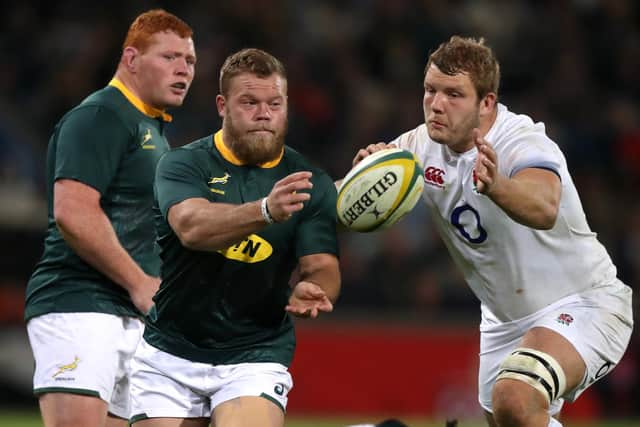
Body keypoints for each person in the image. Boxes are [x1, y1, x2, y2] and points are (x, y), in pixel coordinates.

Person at [351, 36, 633, 427]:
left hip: (584, 302)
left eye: (454, 94)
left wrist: (498, 184)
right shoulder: (417, 147)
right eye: (430, 90)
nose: (436, 104)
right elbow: (341, 203)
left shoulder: (521, 140)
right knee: (513, 416)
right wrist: (356, 183)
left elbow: (545, 206)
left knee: (515, 398)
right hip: (504, 322)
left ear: (487, 102)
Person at [128, 48, 341, 427]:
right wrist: (265, 211)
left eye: (275, 103)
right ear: (222, 105)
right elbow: (191, 227)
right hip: (170, 354)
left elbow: (322, 264)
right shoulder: (182, 164)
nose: (264, 113)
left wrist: (317, 288)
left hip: (254, 354)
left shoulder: (309, 181)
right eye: (250, 102)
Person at [24, 9, 196, 427]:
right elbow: (73, 210)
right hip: (80, 306)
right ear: (131, 60)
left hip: (133, 318)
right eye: (170, 57)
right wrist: (141, 285)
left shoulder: (153, 132)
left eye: (190, 61)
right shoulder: (102, 115)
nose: (183, 70)